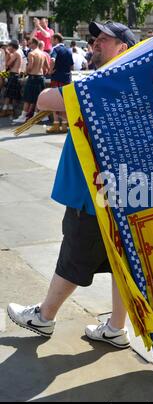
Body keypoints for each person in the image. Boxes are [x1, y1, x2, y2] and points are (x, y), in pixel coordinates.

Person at [7, 20, 137, 349]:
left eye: (104, 40)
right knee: (120, 261)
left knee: (74, 255)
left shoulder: (106, 83)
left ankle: (44, 317)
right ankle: (116, 328)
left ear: (122, 47)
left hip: (91, 192)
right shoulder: (131, 82)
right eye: (95, 39)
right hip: (119, 190)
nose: (95, 43)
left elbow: (47, 100)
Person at [12, 38, 49, 124]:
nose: (29, 45)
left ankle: (23, 116)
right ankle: (36, 116)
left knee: (27, 98)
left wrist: (26, 72)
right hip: (40, 77)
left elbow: (30, 66)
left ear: (34, 43)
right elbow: (47, 67)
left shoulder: (31, 53)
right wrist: (43, 72)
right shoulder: (43, 54)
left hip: (32, 77)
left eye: (30, 43)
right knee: (38, 98)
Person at [47, 33, 74, 134]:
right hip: (67, 78)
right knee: (64, 102)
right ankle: (64, 125)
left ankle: (56, 124)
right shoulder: (68, 50)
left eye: (51, 39)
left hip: (57, 78)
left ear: (56, 39)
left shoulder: (55, 49)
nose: (51, 41)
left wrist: (50, 70)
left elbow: (52, 59)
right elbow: (71, 66)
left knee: (55, 101)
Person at [0, 40, 22, 117]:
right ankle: (10, 111)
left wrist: (7, 54)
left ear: (12, 47)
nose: (8, 48)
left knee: (8, 95)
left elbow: (8, 64)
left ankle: (4, 111)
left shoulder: (16, 53)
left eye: (9, 46)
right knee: (11, 95)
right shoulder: (17, 53)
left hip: (14, 75)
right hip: (14, 74)